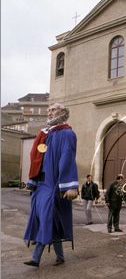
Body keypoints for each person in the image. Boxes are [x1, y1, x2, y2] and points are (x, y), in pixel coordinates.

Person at [23, 103, 79, 267]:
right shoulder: (44, 134)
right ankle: (60, 257)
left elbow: (67, 157)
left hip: (54, 184)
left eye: (53, 110)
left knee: (47, 218)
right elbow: (35, 158)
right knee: (48, 220)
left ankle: (36, 258)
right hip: (40, 184)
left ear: (63, 113)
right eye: (48, 110)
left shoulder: (67, 133)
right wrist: (32, 180)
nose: (49, 112)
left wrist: (69, 185)